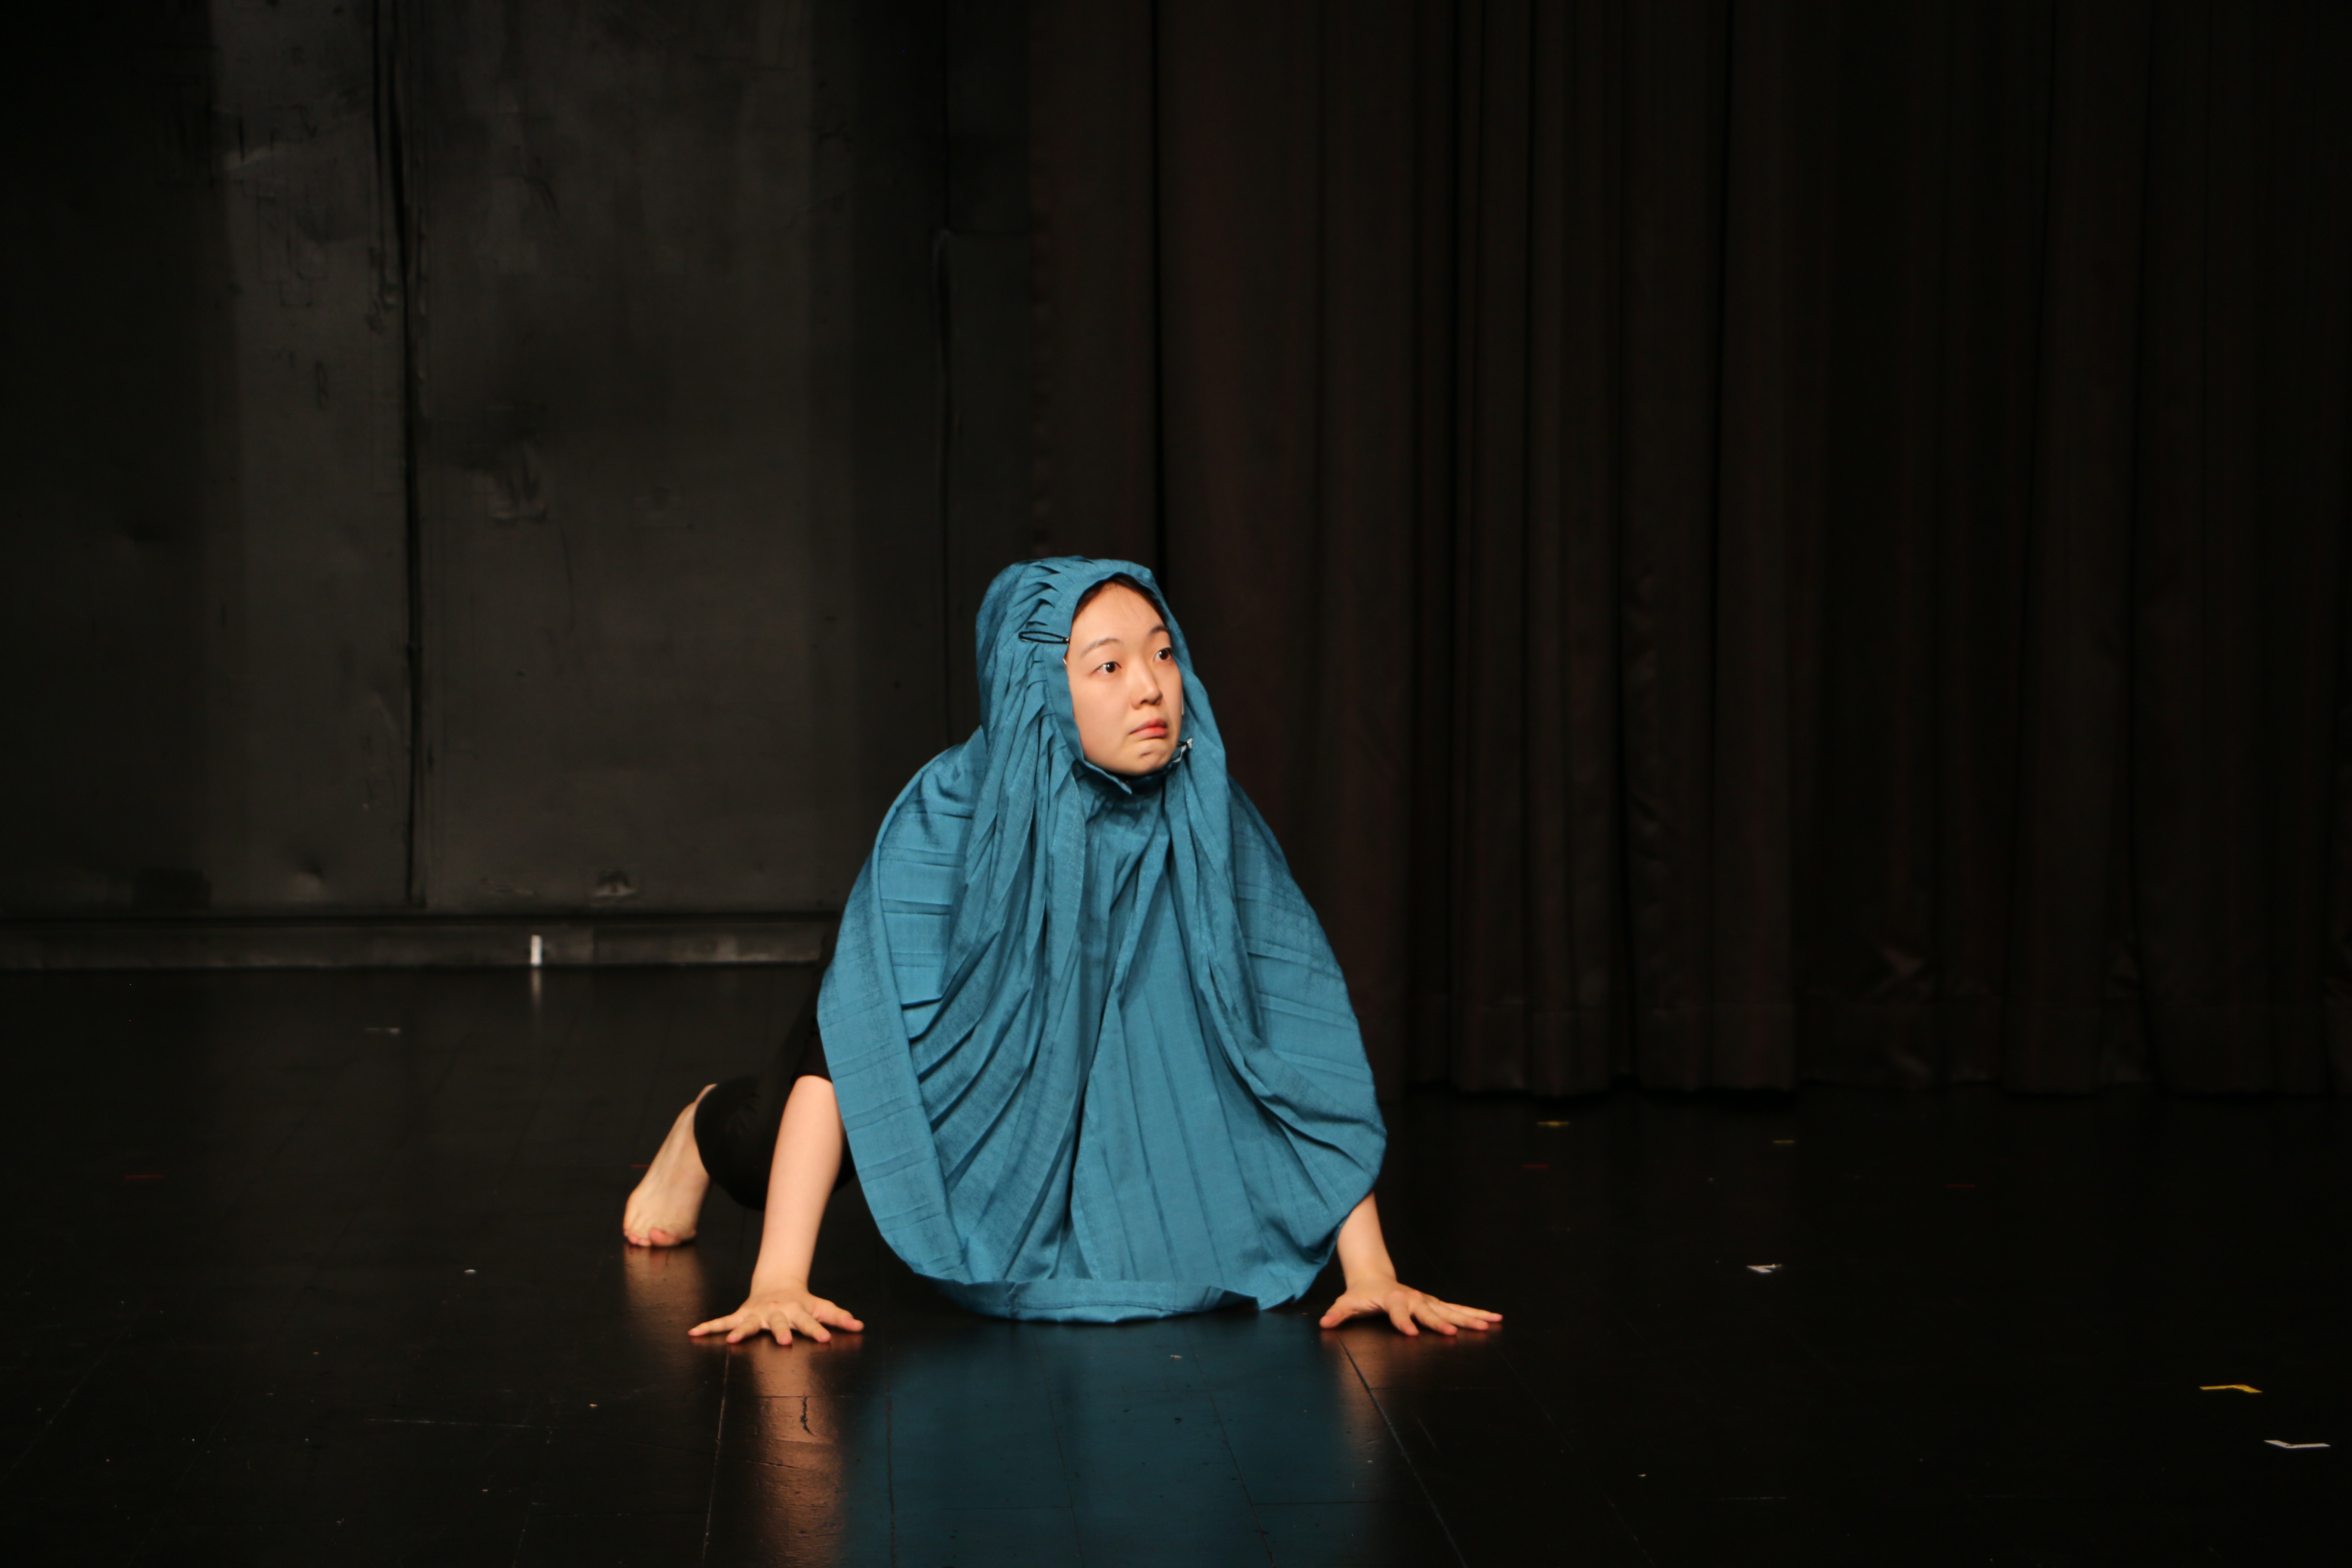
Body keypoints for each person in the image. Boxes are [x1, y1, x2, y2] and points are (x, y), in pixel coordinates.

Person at [623, 558, 1498, 1346]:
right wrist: (779, 1280)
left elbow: (1289, 1047)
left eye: (1163, 654)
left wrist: (1371, 1270)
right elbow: (851, 1054)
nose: (1151, 689)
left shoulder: (1206, 812)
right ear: (1037, 689)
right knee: (762, 1148)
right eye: (1109, 667)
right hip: (911, 1037)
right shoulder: (949, 819)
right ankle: (699, 1129)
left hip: (1062, 1059)